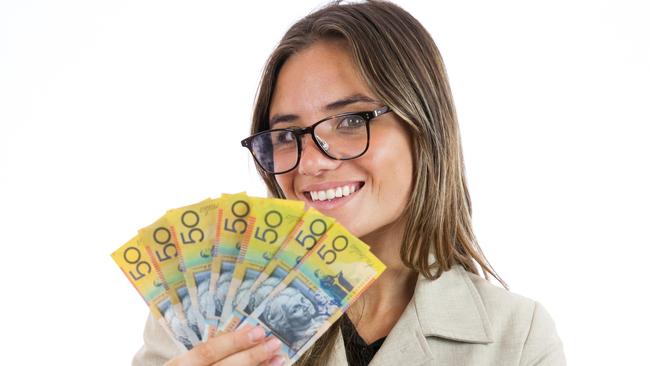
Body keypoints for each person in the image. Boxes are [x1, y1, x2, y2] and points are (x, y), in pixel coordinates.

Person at [133, 1, 566, 365]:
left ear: (425, 128)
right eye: (286, 134)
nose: (314, 163)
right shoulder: (205, 317)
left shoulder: (517, 337)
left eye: (350, 121)